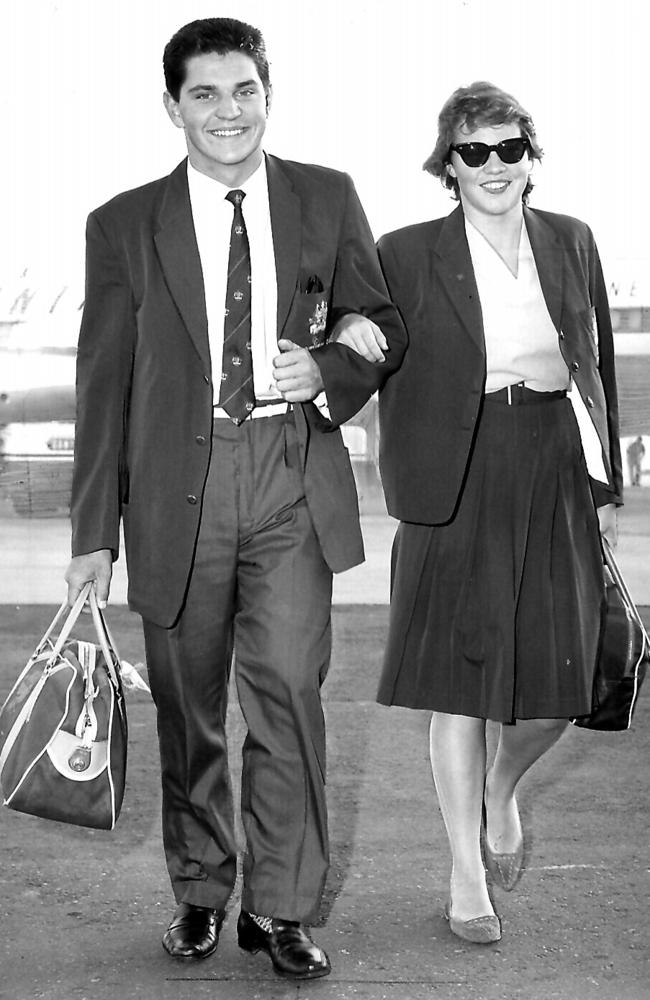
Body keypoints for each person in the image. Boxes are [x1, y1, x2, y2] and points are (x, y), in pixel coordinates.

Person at [64, 17, 405, 978]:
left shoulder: (327, 198)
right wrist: (95, 532)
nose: (228, 110)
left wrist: (329, 366)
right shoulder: (123, 224)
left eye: (244, 89)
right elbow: (104, 385)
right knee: (189, 705)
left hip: (290, 475)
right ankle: (204, 888)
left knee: (289, 695)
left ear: (269, 93)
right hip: (179, 489)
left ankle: (284, 908)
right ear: (172, 106)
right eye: (205, 94)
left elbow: (379, 318)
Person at [373, 81, 622, 944]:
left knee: (563, 687)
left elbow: (595, 365)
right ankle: (464, 874)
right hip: (460, 471)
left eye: (507, 148)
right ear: (449, 162)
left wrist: (600, 483)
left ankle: (501, 791)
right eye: (473, 151)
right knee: (461, 689)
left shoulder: (572, 240)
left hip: (552, 461)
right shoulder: (404, 253)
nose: (492, 166)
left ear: (529, 158)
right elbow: (369, 354)